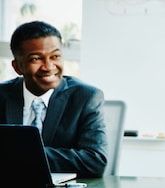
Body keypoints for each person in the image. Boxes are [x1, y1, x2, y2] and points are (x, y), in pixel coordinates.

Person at [0, 21, 107, 178]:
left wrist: (23, 153)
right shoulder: (2, 95)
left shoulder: (86, 97)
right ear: (17, 67)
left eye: (55, 56)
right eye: (36, 59)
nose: (49, 67)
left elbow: (94, 161)